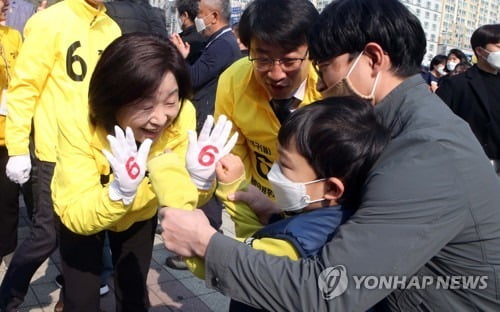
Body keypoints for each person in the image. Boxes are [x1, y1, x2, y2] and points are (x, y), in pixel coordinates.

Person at [160, 0, 500, 310]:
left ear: (372, 59)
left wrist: (206, 245)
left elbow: (326, 290)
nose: (319, 86)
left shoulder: (425, 153)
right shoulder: (394, 126)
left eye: (323, 68)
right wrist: (281, 215)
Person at [51, 33, 197, 311]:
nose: (159, 118)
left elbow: (178, 192)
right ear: (112, 98)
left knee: (133, 292)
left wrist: (200, 183)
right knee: (80, 298)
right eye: (145, 106)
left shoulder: (181, 114)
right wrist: (119, 193)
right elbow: (77, 213)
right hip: (83, 204)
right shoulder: (75, 117)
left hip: (140, 209)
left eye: (170, 101)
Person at [214, 97, 389, 311]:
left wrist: (179, 199)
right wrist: (257, 207)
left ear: (332, 189)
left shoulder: (294, 243)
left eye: (284, 164)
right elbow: (259, 242)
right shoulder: (348, 222)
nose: (275, 169)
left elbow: (229, 263)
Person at [0, 0, 121, 310]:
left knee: (86, 233)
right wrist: (17, 149)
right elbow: (24, 88)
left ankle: (72, 299)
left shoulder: (112, 28)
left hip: (97, 155)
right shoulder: (49, 21)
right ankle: (7, 298)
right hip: (55, 154)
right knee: (45, 234)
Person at [214, 0, 321, 201]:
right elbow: (234, 165)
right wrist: (250, 214)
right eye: (263, 60)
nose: (276, 74)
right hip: (257, 205)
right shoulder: (233, 81)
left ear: (311, 52)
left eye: (289, 61)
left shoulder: (329, 88)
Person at [167, 0, 240, 269]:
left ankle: (206, 244)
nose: (196, 21)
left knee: (205, 183)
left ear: (213, 15)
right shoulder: (218, 42)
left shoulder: (222, 44)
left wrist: (181, 58)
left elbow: (194, 78)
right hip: (206, 116)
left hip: (208, 121)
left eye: (198, 15)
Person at [437, 24, 500, 176]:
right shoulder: (455, 85)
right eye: (499, 46)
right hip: (471, 163)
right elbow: (438, 125)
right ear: (480, 51)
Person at [0, 0, 25, 267]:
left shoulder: (14, 36)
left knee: (7, 199)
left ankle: (6, 251)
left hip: (9, 133)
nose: (6, 3)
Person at [175, 0, 205, 65]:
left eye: (178, 15)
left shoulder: (182, 42)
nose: (178, 18)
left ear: (185, 15)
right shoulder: (203, 37)